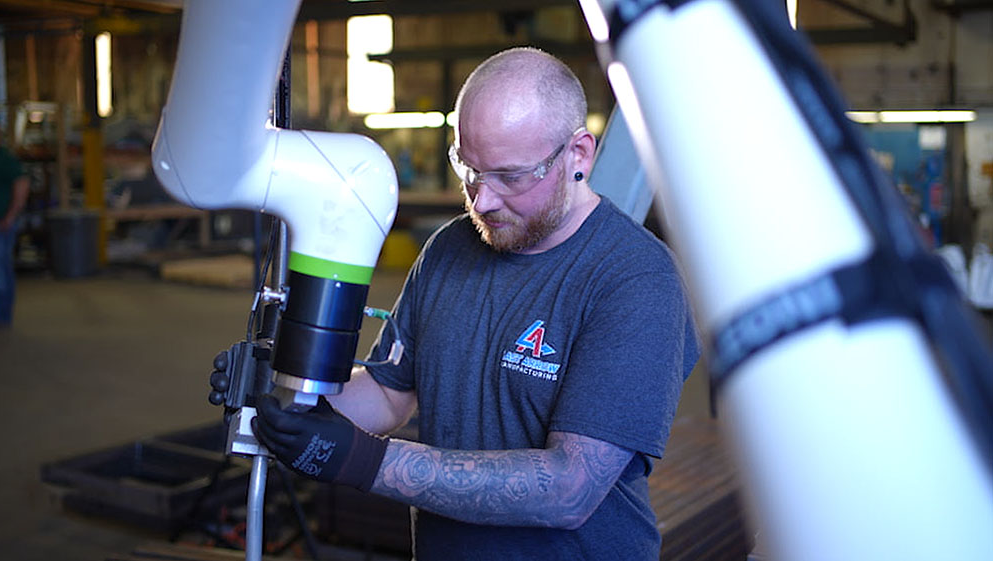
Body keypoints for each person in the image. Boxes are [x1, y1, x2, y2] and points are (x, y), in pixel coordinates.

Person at [253, 47, 700, 560]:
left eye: (510, 177)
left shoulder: (634, 277)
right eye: (468, 169)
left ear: (578, 154)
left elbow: (570, 487)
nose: (481, 200)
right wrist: (285, 395)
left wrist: (365, 462)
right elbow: (387, 393)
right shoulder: (448, 248)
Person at [0, 125, 29, 328]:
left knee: (1, 269)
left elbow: (22, 185)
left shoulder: (6, 160)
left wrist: (11, 215)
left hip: (1, 224)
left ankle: (2, 315)